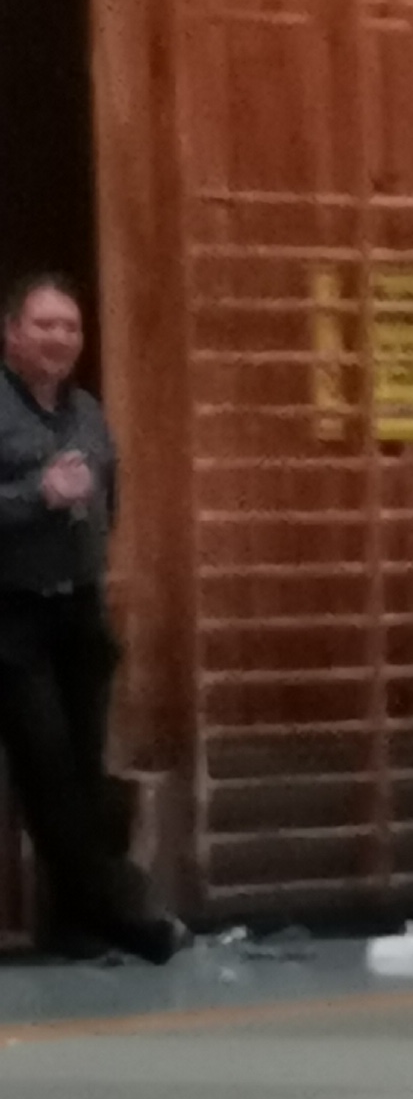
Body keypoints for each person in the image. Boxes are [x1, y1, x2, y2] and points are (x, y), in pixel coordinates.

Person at [0, 275, 178, 965]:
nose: (60, 338)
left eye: (70, 327)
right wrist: (36, 494)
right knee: (47, 769)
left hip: (77, 607)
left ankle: (77, 921)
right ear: (12, 333)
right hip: (12, 614)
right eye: (45, 325)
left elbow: (111, 497)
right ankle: (115, 914)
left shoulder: (87, 412)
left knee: (82, 768)